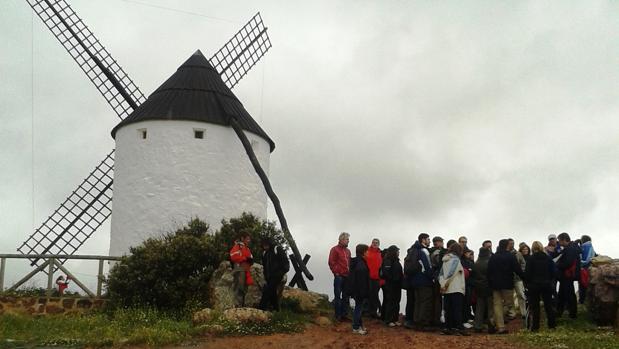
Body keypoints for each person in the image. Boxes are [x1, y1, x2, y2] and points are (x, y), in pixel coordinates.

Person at [487, 239, 525, 334]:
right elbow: (517, 269)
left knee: (497, 304)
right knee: (509, 305)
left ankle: (500, 326)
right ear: (507, 245)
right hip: (507, 284)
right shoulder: (510, 256)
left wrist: (490, 283)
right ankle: (493, 321)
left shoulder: (493, 257)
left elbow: (489, 272)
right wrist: (525, 278)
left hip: (495, 285)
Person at [524, 241, 556, 331]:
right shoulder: (548, 258)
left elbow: (527, 273)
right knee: (548, 306)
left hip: (534, 285)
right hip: (546, 284)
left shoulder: (531, 259)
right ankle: (552, 325)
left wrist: (527, 284)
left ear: (533, 248)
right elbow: (554, 272)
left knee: (535, 307)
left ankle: (535, 327)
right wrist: (550, 281)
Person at [439, 243, 470, 336]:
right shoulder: (456, 260)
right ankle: (459, 328)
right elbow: (453, 273)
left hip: (446, 288)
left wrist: (443, 284)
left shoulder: (445, 260)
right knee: (457, 309)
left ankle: (448, 327)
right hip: (456, 288)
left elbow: (441, 274)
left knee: (448, 309)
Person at [409, 233, 434, 330]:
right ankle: (423, 323)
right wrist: (432, 277)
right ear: (423, 240)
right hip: (424, 280)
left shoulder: (414, 250)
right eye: (428, 239)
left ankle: (416, 322)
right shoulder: (424, 251)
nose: (429, 241)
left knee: (418, 301)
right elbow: (427, 266)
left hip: (415, 280)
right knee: (425, 301)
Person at [258, 238, 290, 311]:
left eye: (266, 244)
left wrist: (281, 273)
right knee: (272, 292)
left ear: (269, 243)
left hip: (277, 275)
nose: (264, 246)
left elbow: (285, 262)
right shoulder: (264, 253)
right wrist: (265, 276)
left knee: (267, 290)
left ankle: (261, 308)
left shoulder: (277, 249)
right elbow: (264, 266)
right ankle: (276, 310)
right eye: (263, 245)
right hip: (269, 277)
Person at [556, 232, 580, 319]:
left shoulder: (570, 249)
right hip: (567, 275)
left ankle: (572, 314)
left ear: (564, 240)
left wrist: (557, 265)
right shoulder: (571, 248)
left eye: (559, 240)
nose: (558, 242)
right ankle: (560, 312)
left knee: (569, 294)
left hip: (567, 275)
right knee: (562, 294)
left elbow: (568, 263)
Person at [348, 244, 371, 335]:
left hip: (355, 289)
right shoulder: (361, 264)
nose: (368, 253)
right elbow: (361, 281)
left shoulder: (356, 261)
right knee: (358, 308)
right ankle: (356, 327)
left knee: (359, 307)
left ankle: (359, 325)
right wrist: (364, 292)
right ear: (364, 252)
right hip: (359, 290)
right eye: (367, 251)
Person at [328, 232, 352, 321]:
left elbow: (349, 263)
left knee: (346, 296)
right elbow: (331, 262)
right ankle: (337, 315)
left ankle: (344, 315)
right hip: (339, 276)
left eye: (348, 240)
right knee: (338, 296)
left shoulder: (348, 251)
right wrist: (336, 272)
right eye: (347, 239)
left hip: (347, 276)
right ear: (341, 240)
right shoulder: (334, 249)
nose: (348, 241)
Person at [472, 247, 495, 333]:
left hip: (479, 288)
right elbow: (492, 275)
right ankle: (491, 326)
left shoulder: (476, 263)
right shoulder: (489, 263)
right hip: (488, 287)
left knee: (479, 308)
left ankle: (477, 326)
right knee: (490, 308)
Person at [229, 232, 254, 306]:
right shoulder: (238, 246)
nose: (249, 241)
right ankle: (237, 305)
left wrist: (249, 260)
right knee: (239, 287)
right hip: (239, 269)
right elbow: (233, 256)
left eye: (249, 239)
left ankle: (242, 305)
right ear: (242, 238)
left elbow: (251, 258)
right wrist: (244, 259)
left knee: (244, 289)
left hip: (246, 270)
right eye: (247, 239)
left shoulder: (247, 249)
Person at [381, 245, 403, 327]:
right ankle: (388, 320)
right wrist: (393, 279)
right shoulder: (387, 260)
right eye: (397, 251)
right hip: (390, 284)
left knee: (396, 301)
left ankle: (395, 319)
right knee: (390, 302)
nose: (398, 252)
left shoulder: (396, 261)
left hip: (397, 284)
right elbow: (386, 273)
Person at [429, 236, 446, 327]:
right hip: (439, 277)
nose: (443, 243)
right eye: (441, 242)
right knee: (439, 299)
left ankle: (436, 319)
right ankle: (438, 319)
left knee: (436, 299)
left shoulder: (430, 251)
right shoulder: (437, 252)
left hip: (434, 277)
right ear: (438, 242)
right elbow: (440, 264)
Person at [509, 239, 527, 319]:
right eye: (510, 243)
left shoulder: (518, 254)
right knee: (510, 297)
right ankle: (512, 313)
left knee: (521, 294)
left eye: (513, 243)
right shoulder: (505, 254)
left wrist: (521, 271)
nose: (511, 245)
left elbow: (523, 263)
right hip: (508, 278)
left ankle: (523, 312)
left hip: (518, 278)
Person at [366, 238, 383, 318]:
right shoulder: (367, 252)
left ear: (379, 244)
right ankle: (368, 311)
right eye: (373, 242)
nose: (375, 244)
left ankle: (375, 311)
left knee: (375, 295)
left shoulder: (381, 254)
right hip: (368, 277)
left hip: (377, 277)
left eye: (376, 242)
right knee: (368, 294)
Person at [579, 235, 595, 304]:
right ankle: (588, 300)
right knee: (588, 284)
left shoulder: (583, 247)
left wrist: (581, 264)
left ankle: (582, 301)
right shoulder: (590, 246)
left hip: (583, 269)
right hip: (589, 268)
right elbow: (592, 257)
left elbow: (583, 259)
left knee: (582, 285)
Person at [461, 248, 475, 326]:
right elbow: (469, 272)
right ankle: (464, 320)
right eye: (468, 253)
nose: (470, 255)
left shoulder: (469, 261)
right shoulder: (463, 262)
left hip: (469, 284)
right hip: (466, 284)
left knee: (468, 302)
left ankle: (467, 318)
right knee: (465, 303)